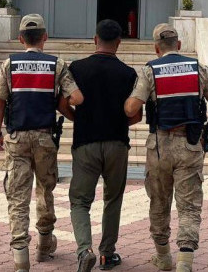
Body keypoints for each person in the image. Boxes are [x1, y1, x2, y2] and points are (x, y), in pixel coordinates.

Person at [124, 23, 208, 272]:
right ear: (178, 44)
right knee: (189, 205)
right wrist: (207, 131)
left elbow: (131, 108)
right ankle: (185, 262)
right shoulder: (199, 69)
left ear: (156, 48)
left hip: (159, 146)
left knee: (159, 202)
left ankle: (163, 257)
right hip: (190, 145)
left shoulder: (150, 71)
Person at [0, 14, 84, 272]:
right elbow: (76, 97)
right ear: (45, 37)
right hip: (45, 138)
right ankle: (44, 245)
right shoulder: (57, 65)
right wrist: (65, 104)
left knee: (18, 197)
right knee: (45, 189)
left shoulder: (10, 64)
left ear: (21, 39)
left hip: (17, 139)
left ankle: (21, 257)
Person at [67, 19, 142, 272]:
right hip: (117, 143)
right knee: (113, 198)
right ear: (119, 43)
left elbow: (63, 103)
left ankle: (84, 250)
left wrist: (79, 119)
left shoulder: (77, 68)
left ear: (95, 39)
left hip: (85, 142)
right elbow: (137, 115)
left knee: (80, 201)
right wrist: (115, 122)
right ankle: (107, 255)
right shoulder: (128, 73)